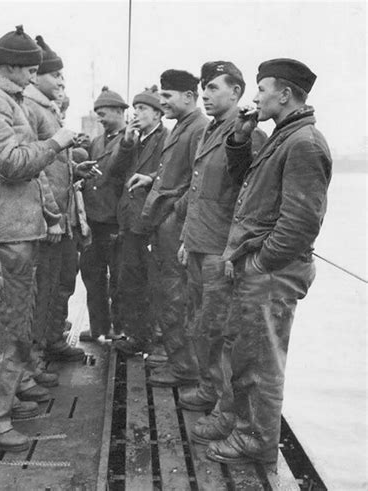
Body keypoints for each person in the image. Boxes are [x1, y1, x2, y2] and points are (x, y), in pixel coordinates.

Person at [205, 58, 332, 465]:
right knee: (246, 354)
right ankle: (243, 426)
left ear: (285, 94)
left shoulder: (304, 143)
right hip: (259, 267)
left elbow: (301, 223)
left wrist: (260, 263)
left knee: (262, 363)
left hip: (272, 271)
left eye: (261, 89)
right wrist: (240, 139)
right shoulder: (284, 135)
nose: (255, 97)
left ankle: (257, 440)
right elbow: (248, 185)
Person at [0, 25, 76, 452]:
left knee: (13, 322)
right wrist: (57, 143)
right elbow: (10, 163)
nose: (33, 75)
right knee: (2, 327)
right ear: (10, 66)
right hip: (2, 225)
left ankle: (1, 406)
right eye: (29, 69)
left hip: (14, 223)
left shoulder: (5, 99)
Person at [174, 62, 266, 443]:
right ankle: (211, 390)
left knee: (224, 331)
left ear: (237, 92)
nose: (206, 95)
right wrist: (186, 240)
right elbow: (199, 194)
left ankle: (225, 412)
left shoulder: (248, 135)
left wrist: (232, 253)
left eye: (212, 88)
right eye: (204, 88)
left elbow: (248, 199)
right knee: (203, 323)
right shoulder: (210, 130)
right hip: (200, 244)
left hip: (220, 251)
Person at [127, 69, 208, 387]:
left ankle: (184, 367)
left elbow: (197, 183)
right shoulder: (183, 127)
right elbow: (177, 174)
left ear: (189, 96)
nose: (162, 102)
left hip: (174, 226)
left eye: (167, 97)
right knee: (167, 294)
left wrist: (175, 213)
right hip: (164, 225)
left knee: (176, 298)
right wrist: (151, 180)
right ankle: (178, 360)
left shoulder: (198, 129)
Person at [24, 36, 85, 363]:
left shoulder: (47, 110)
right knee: (43, 290)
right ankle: (34, 359)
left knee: (62, 281)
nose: (61, 81)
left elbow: (56, 164)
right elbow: (38, 170)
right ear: (36, 75)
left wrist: (76, 167)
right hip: (50, 219)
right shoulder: (32, 110)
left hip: (62, 217)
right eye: (55, 75)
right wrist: (52, 217)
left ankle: (51, 340)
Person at [110, 86, 169, 356]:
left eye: (143, 108)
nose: (136, 113)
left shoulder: (166, 139)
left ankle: (152, 337)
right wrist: (125, 143)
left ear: (158, 114)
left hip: (151, 220)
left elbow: (173, 173)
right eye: (135, 108)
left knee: (152, 281)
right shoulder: (133, 140)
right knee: (130, 279)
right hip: (130, 221)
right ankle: (137, 335)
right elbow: (114, 172)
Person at [79, 87, 128, 342]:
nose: (99, 118)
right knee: (92, 275)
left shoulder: (129, 141)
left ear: (120, 112)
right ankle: (98, 327)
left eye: (103, 113)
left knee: (119, 279)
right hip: (94, 221)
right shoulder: (98, 142)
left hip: (115, 221)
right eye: (97, 113)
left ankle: (120, 329)